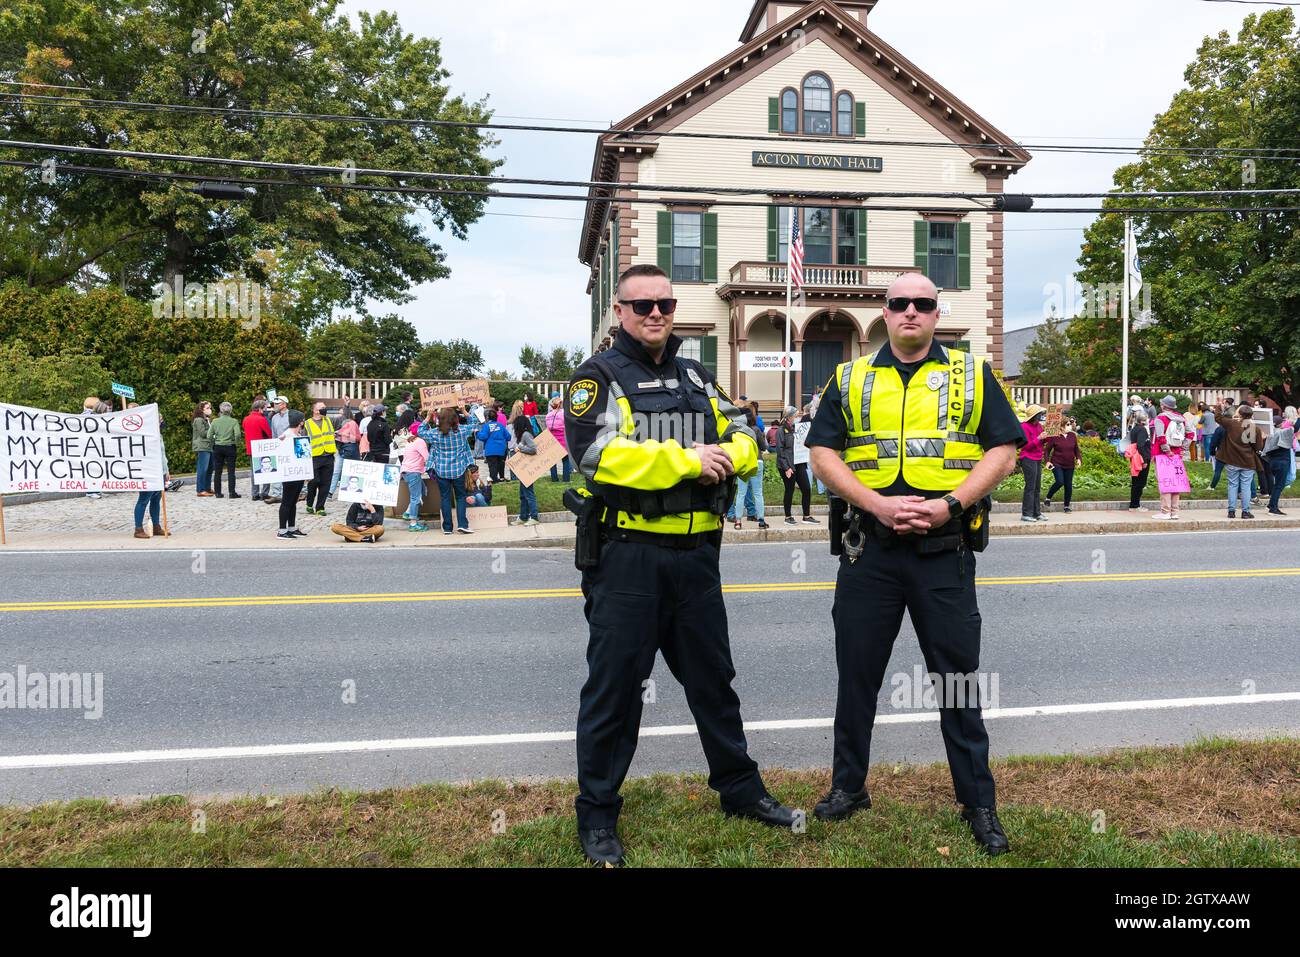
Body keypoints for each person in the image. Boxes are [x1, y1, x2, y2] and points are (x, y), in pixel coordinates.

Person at [563, 263, 796, 867]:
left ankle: (740, 792)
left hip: (698, 559)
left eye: (664, 303)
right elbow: (595, 455)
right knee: (615, 692)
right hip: (628, 560)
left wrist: (730, 454)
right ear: (620, 313)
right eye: (642, 305)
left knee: (714, 683)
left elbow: (748, 434)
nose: (656, 314)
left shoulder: (695, 373)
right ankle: (597, 816)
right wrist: (688, 461)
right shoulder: (597, 377)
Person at [805, 273, 1022, 856]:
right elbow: (821, 451)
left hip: (942, 551)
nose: (910, 312)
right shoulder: (849, 377)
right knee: (857, 677)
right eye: (899, 303)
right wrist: (874, 502)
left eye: (922, 304)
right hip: (867, 549)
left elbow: (1005, 447)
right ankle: (848, 788)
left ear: (935, 312)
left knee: (955, 681)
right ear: (885, 310)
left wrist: (951, 503)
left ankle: (978, 802)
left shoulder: (972, 374)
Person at [428, 406, 476, 535]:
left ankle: (448, 527)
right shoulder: (461, 431)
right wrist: (464, 411)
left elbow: (420, 431)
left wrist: (428, 417)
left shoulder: (435, 433)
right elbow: (474, 423)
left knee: (445, 498)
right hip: (458, 470)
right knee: (460, 497)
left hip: (441, 470)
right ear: (455, 419)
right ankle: (462, 524)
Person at [1216, 403, 1264, 519]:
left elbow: (1218, 418)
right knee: (1246, 487)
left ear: (1239, 414)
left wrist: (1219, 407)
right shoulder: (1254, 428)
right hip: (1248, 461)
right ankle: (1245, 512)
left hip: (1232, 460)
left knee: (1232, 485)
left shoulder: (1232, 424)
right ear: (1251, 415)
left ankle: (1231, 511)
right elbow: (1258, 448)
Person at [729, 407, 769, 531]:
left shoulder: (739, 430)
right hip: (757, 461)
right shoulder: (756, 430)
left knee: (741, 493)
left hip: (744, 462)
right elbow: (763, 447)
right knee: (758, 492)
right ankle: (761, 520)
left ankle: (738, 521)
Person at [1150, 395, 1189, 520]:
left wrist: (1167, 451)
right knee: (1176, 483)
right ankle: (1174, 511)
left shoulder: (1160, 418)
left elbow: (1161, 437)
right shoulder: (1181, 418)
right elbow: (1191, 433)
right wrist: (1183, 448)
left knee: (1165, 482)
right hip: (1177, 454)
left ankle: (1165, 512)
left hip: (1163, 455)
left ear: (1163, 406)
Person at [776, 406, 814, 526]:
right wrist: (786, 467)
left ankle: (806, 516)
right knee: (789, 489)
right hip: (787, 464)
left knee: (806, 489)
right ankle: (788, 517)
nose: (797, 418)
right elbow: (780, 451)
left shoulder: (797, 429)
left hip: (799, 462)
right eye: (795, 416)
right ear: (788, 417)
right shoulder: (781, 430)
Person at [276, 411, 309, 540]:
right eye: (303, 420)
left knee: (293, 501)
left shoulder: (297, 435)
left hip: (298, 474)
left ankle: (292, 527)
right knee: (287, 502)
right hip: (290, 475)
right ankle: (282, 530)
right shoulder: (287, 435)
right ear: (300, 422)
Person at [133, 437, 172, 539]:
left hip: (160, 472)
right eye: (160, 419)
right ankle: (138, 529)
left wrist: (166, 470)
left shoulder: (159, 434)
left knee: (156, 500)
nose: (161, 420)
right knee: (143, 500)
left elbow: (162, 454)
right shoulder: (146, 434)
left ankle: (156, 526)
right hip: (149, 472)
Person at [304, 402, 337, 515]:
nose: (324, 409)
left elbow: (344, 418)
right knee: (314, 482)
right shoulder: (307, 424)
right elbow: (303, 441)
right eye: (322, 408)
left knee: (325, 484)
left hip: (328, 456)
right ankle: (309, 503)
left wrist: (346, 405)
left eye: (325, 407)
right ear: (315, 410)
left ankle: (320, 507)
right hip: (314, 457)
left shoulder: (328, 420)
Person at [1042, 418, 1081, 513]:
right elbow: (1047, 450)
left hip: (1070, 464)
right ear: (1062, 427)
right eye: (1068, 424)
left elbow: (1076, 449)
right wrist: (1047, 461)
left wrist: (1079, 459)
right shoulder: (1054, 437)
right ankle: (1048, 497)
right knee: (1060, 482)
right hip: (1057, 463)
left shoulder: (1072, 435)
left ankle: (1066, 506)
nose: (1070, 426)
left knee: (1068, 485)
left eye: (1070, 424)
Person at [208, 401, 243, 499]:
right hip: (230, 446)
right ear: (230, 410)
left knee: (218, 471)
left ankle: (218, 493)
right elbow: (237, 434)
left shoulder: (215, 421)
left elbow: (209, 435)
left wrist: (213, 443)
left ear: (221, 410)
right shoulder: (234, 421)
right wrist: (237, 443)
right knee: (231, 471)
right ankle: (232, 492)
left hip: (218, 447)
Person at [511, 415, 541, 526]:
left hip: (528, 470)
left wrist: (520, 448)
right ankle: (523, 517)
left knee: (529, 494)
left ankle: (534, 517)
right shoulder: (524, 434)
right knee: (523, 495)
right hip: (524, 470)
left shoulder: (526, 434)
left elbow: (533, 449)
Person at [1018, 405, 1046, 522]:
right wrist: (1039, 438)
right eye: (1039, 414)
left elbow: (1043, 442)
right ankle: (1026, 513)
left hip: (1038, 458)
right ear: (1034, 415)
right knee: (1030, 487)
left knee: (1037, 487)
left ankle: (1036, 513)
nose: (1041, 416)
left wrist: (1049, 436)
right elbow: (1025, 446)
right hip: (1028, 458)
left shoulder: (1039, 426)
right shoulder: (1024, 426)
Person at [400, 426, 430, 531]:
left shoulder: (410, 441)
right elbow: (427, 458)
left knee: (422, 490)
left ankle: (408, 512)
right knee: (416, 497)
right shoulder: (420, 441)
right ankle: (413, 524)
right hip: (413, 471)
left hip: (407, 471)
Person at [1263, 413, 1294, 515]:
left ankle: (1270, 504)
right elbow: (1293, 429)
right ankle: (1273, 508)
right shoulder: (1282, 433)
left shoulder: (1270, 435)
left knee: (1277, 485)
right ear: (1281, 424)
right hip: (1282, 463)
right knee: (1279, 486)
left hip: (1272, 462)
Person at [243, 399, 273, 500]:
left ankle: (254, 493)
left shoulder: (246, 419)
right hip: (262, 447)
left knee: (254, 472)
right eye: (265, 408)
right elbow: (269, 433)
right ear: (260, 409)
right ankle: (264, 493)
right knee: (266, 470)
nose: (266, 409)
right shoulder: (262, 419)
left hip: (251, 448)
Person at [264, 396, 290, 505]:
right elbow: (274, 433)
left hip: (288, 446)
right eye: (274, 403)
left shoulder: (291, 415)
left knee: (288, 470)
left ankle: (287, 494)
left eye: (277, 404)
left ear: (284, 404)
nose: (275, 405)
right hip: (278, 446)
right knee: (277, 470)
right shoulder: (274, 418)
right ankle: (275, 494)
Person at [1128, 410, 1152, 510]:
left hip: (1135, 457)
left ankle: (1134, 504)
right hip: (1141, 458)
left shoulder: (1134, 429)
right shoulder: (1142, 430)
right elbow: (1141, 445)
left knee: (1136, 481)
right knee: (1140, 482)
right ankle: (1135, 505)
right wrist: (1145, 460)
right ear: (1143, 420)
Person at [477, 413, 511, 483]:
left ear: (488, 418)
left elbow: (483, 437)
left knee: (492, 466)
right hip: (501, 449)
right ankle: (501, 478)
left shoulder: (486, 426)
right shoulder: (501, 425)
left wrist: (477, 433)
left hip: (491, 449)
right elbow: (508, 437)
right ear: (496, 418)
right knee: (501, 464)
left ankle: (494, 480)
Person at [545, 396, 572, 483]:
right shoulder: (563, 413)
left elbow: (548, 428)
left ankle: (554, 478)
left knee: (552, 461)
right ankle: (566, 479)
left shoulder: (548, 415)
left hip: (553, 440)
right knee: (566, 460)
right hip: (563, 439)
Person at [191, 401, 214, 497]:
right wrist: (213, 429)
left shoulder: (207, 419)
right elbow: (203, 433)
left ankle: (207, 488)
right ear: (202, 410)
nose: (210, 410)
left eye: (210, 408)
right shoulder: (198, 420)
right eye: (208, 408)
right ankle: (200, 490)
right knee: (202, 469)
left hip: (209, 446)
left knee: (209, 468)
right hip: (202, 446)